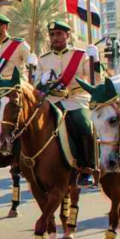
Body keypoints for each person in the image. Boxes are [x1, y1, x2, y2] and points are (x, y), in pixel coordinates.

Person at [35, 21, 100, 188]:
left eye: (58, 34)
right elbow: (36, 88)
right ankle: (28, 166)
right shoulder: (43, 60)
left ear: (67, 35)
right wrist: (42, 82)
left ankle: (87, 169)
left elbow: (96, 80)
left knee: (84, 126)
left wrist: (95, 60)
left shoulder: (81, 55)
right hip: (52, 102)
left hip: (76, 100)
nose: (55, 38)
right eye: (52, 35)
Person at [0, 14, 34, 92]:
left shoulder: (19, 45)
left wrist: (33, 63)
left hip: (17, 88)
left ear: (4, 27)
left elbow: (33, 69)